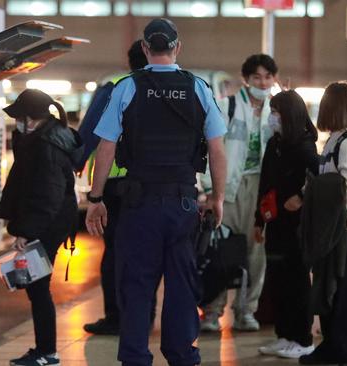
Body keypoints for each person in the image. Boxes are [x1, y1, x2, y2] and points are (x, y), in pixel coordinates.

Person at [85, 18, 227, 366]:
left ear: (146, 48)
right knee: (181, 285)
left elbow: (105, 147)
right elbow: (217, 149)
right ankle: (182, 356)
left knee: (136, 286)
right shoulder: (198, 88)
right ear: (178, 47)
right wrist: (218, 197)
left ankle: (135, 358)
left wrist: (96, 199)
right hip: (182, 203)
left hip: (139, 204)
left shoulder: (127, 87)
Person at [0, 89, 83, 366]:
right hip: (48, 220)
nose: (18, 124)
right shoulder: (38, 138)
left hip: (48, 223)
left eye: (20, 118)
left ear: (31, 119)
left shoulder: (47, 146)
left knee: (38, 287)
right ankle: (43, 350)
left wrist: (27, 231)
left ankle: (47, 352)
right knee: (36, 287)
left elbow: (48, 195)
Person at [79, 40, 157, 336]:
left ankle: (116, 317)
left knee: (115, 254)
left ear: (130, 62)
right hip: (158, 185)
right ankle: (145, 316)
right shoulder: (177, 87)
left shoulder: (116, 86)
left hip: (116, 186)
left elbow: (91, 132)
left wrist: (76, 161)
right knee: (148, 252)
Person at [200, 53, 278, 332]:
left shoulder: (275, 112)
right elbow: (208, 147)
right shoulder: (226, 107)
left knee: (257, 251)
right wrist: (208, 189)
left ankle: (247, 310)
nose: (263, 82)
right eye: (257, 77)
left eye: (268, 77)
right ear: (246, 79)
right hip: (228, 188)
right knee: (219, 249)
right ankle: (211, 311)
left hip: (260, 189)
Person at [300, 82, 347, 366]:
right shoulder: (335, 140)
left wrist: (319, 194)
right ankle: (334, 348)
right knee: (332, 293)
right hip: (336, 229)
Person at [254, 90, 318, 359]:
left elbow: (319, 176)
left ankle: (302, 338)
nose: (272, 117)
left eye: (277, 112)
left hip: (296, 226)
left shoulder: (304, 146)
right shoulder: (274, 144)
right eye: (272, 111)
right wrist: (259, 221)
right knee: (277, 280)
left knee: (296, 281)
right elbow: (265, 184)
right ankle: (284, 335)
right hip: (275, 222)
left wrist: (301, 197)